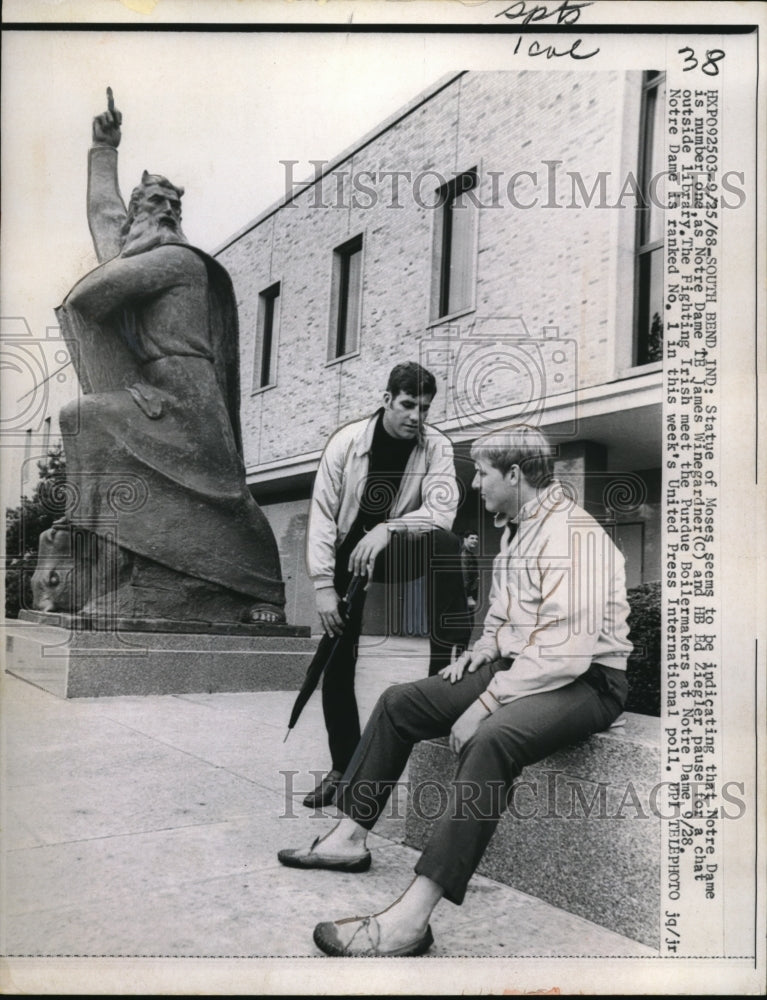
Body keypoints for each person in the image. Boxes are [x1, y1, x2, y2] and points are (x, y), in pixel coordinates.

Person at [278, 425, 633, 956]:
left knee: (491, 739)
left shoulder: (572, 534)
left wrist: (487, 702)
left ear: (514, 475)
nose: (473, 485)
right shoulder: (518, 527)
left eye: (483, 473)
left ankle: (411, 920)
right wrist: (485, 649)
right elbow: (503, 612)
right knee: (401, 703)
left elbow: (567, 649)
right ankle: (349, 839)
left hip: (588, 679)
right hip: (525, 665)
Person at [56, 90, 285, 624]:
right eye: (154, 204)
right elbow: (106, 217)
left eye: (172, 206)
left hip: (188, 395)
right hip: (153, 392)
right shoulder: (141, 250)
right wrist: (102, 150)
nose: (165, 211)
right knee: (80, 418)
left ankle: (260, 588)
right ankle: (117, 560)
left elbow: (89, 296)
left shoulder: (178, 260)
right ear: (138, 215)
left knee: (221, 494)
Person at [302, 362, 470, 807]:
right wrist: (323, 584)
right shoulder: (347, 443)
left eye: (425, 408)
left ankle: (447, 668)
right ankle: (345, 767)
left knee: (448, 544)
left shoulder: (437, 447)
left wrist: (388, 530)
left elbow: (441, 511)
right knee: (338, 655)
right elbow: (322, 515)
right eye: (409, 405)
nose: (417, 416)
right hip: (348, 557)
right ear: (387, 400)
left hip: (399, 547)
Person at [460, 530, 480, 625]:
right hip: (466, 595)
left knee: (468, 621)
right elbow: (465, 577)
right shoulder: (464, 555)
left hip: (469, 593)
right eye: (472, 538)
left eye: (476, 539)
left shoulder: (469, 554)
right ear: (465, 539)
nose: (475, 540)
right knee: (467, 622)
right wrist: (468, 596)